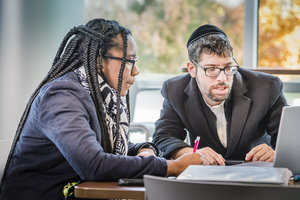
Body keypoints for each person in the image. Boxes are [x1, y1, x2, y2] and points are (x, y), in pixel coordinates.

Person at [0, 19, 202, 200]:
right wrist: (172, 166)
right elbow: (93, 164)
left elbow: (107, 148)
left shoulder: (95, 94)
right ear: (98, 61)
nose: (136, 70)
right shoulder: (61, 96)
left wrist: (144, 149)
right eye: (129, 60)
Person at [153, 24, 287, 166]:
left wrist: (277, 153)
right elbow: (163, 137)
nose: (222, 78)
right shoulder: (174, 90)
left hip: (256, 177)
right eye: (211, 69)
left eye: (228, 67)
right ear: (192, 69)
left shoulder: (267, 87)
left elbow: (291, 141)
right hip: (206, 179)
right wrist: (190, 153)